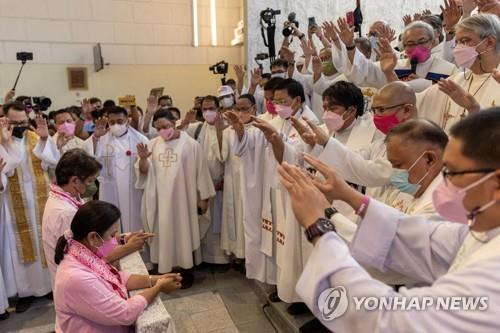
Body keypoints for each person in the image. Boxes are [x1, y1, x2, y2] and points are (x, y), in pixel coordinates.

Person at [278, 108, 500, 332]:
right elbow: (419, 239)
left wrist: (319, 226)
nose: (445, 182)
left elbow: (390, 320)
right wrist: (348, 196)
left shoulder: (493, 274)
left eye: (452, 173)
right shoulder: (483, 229)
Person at [53, 200, 182, 333]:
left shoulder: (83, 253)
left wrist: (155, 279)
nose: (115, 241)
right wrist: (158, 287)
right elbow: (125, 313)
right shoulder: (76, 277)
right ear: (93, 237)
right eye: (112, 235)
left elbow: (117, 277)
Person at [42, 149, 153, 287]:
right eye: (89, 181)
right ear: (75, 180)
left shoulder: (69, 197)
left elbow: (90, 240)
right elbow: (88, 257)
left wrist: (122, 238)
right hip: (78, 285)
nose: (91, 186)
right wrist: (129, 247)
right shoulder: (65, 212)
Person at [135, 109, 215, 285]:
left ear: (174, 122)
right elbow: (143, 173)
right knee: (162, 236)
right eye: (158, 128)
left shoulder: (191, 145)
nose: (162, 131)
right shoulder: (153, 144)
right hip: (159, 202)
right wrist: (142, 160)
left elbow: (201, 172)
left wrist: (204, 198)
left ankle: (186, 273)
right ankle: (164, 274)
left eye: (165, 126)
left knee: (183, 235)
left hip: (183, 201)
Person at [0, 102, 52, 313]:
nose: (20, 126)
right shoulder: (2, 141)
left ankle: (48, 286)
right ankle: (27, 292)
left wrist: (46, 139)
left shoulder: (35, 137)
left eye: (23, 122)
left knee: (44, 241)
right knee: (19, 247)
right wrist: (4, 143)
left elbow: (52, 161)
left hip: (40, 201)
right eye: (15, 123)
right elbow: (6, 172)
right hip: (14, 205)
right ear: (5, 120)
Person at [418, 14, 500, 132]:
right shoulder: (456, 81)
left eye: (465, 41)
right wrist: (389, 73)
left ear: (490, 42)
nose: (458, 48)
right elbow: (412, 102)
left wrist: (474, 110)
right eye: (457, 42)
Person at [83, 106, 149, 233]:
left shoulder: (140, 140)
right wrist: (95, 137)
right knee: (111, 223)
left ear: (127, 121)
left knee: (135, 225)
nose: (116, 125)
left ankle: (136, 249)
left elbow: (146, 168)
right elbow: (90, 158)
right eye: (112, 122)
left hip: (133, 190)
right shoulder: (102, 138)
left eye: (120, 121)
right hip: (109, 189)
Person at [346, 21, 457, 92]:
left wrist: (424, 84)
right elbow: (364, 70)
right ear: (404, 46)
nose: (416, 47)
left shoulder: (448, 70)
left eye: (422, 42)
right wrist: (350, 45)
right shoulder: (394, 66)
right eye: (410, 44)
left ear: (432, 42)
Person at [185, 96, 230, 266]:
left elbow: (229, 157)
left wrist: (225, 179)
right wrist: (184, 123)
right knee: (202, 221)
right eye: (204, 109)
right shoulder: (196, 129)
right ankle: (204, 258)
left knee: (220, 221)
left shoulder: (228, 128)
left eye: (211, 108)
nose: (208, 112)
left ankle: (221, 259)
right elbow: (178, 137)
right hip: (200, 186)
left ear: (220, 109)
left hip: (220, 185)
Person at [216, 95, 254, 268]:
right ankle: (239, 254)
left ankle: (251, 255)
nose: (240, 112)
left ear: (253, 108)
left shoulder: (258, 129)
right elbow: (223, 156)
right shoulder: (227, 131)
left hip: (252, 181)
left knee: (249, 217)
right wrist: (219, 131)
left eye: (244, 108)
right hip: (233, 179)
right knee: (235, 217)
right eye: (237, 108)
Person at [33, 108, 85, 183]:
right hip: (59, 185)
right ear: (55, 125)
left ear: (74, 122)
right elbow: (47, 165)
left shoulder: (82, 143)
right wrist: (58, 148)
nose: (66, 124)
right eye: (61, 122)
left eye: (69, 121)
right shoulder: (49, 144)